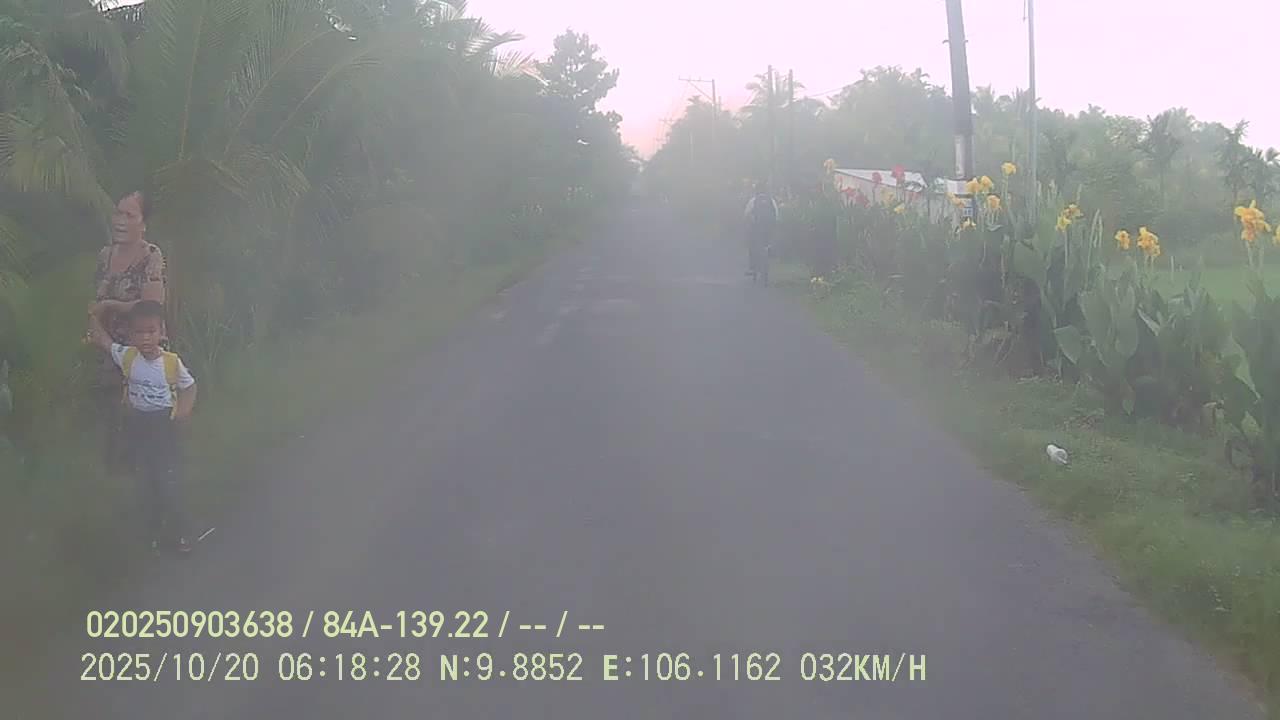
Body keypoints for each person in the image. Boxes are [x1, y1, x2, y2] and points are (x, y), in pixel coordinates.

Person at [87, 299, 197, 554]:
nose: (145, 337)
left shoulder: (171, 362)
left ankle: (181, 532)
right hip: (138, 425)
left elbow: (189, 387)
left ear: (162, 332)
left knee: (168, 480)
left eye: (151, 331)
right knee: (145, 482)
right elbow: (100, 337)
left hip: (164, 426)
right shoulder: (127, 356)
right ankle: (153, 533)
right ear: (130, 334)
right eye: (139, 332)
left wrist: (183, 412)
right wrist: (103, 308)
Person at [87, 191, 166, 474]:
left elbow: (151, 305)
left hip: (140, 350)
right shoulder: (105, 255)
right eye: (118, 213)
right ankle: (112, 475)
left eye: (129, 215)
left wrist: (110, 305)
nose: (120, 220)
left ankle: (147, 475)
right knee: (109, 416)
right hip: (105, 348)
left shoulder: (151, 256)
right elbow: (96, 299)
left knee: (141, 418)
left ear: (143, 223)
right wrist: (95, 326)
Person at [743, 182, 779, 283]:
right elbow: (777, 215)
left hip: (756, 228)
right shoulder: (771, 200)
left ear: (756, 190)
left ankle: (752, 266)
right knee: (769, 243)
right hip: (769, 228)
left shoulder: (753, 200)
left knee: (752, 245)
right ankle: (770, 252)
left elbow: (746, 214)